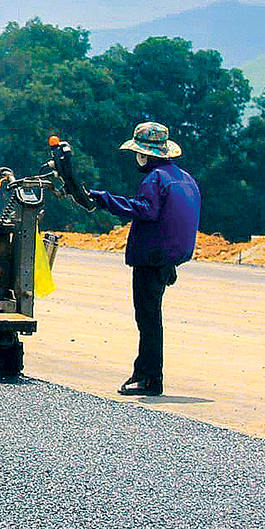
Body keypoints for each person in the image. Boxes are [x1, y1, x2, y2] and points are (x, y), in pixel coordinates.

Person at [84, 121, 203, 397]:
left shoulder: (154, 178)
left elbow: (145, 210)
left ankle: (149, 378)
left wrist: (103, 199)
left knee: (148, 320)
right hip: (168, 258)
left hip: (151, 259)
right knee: (152, 318)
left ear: (144, 154)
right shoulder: (185, 177)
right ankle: (146, 374)